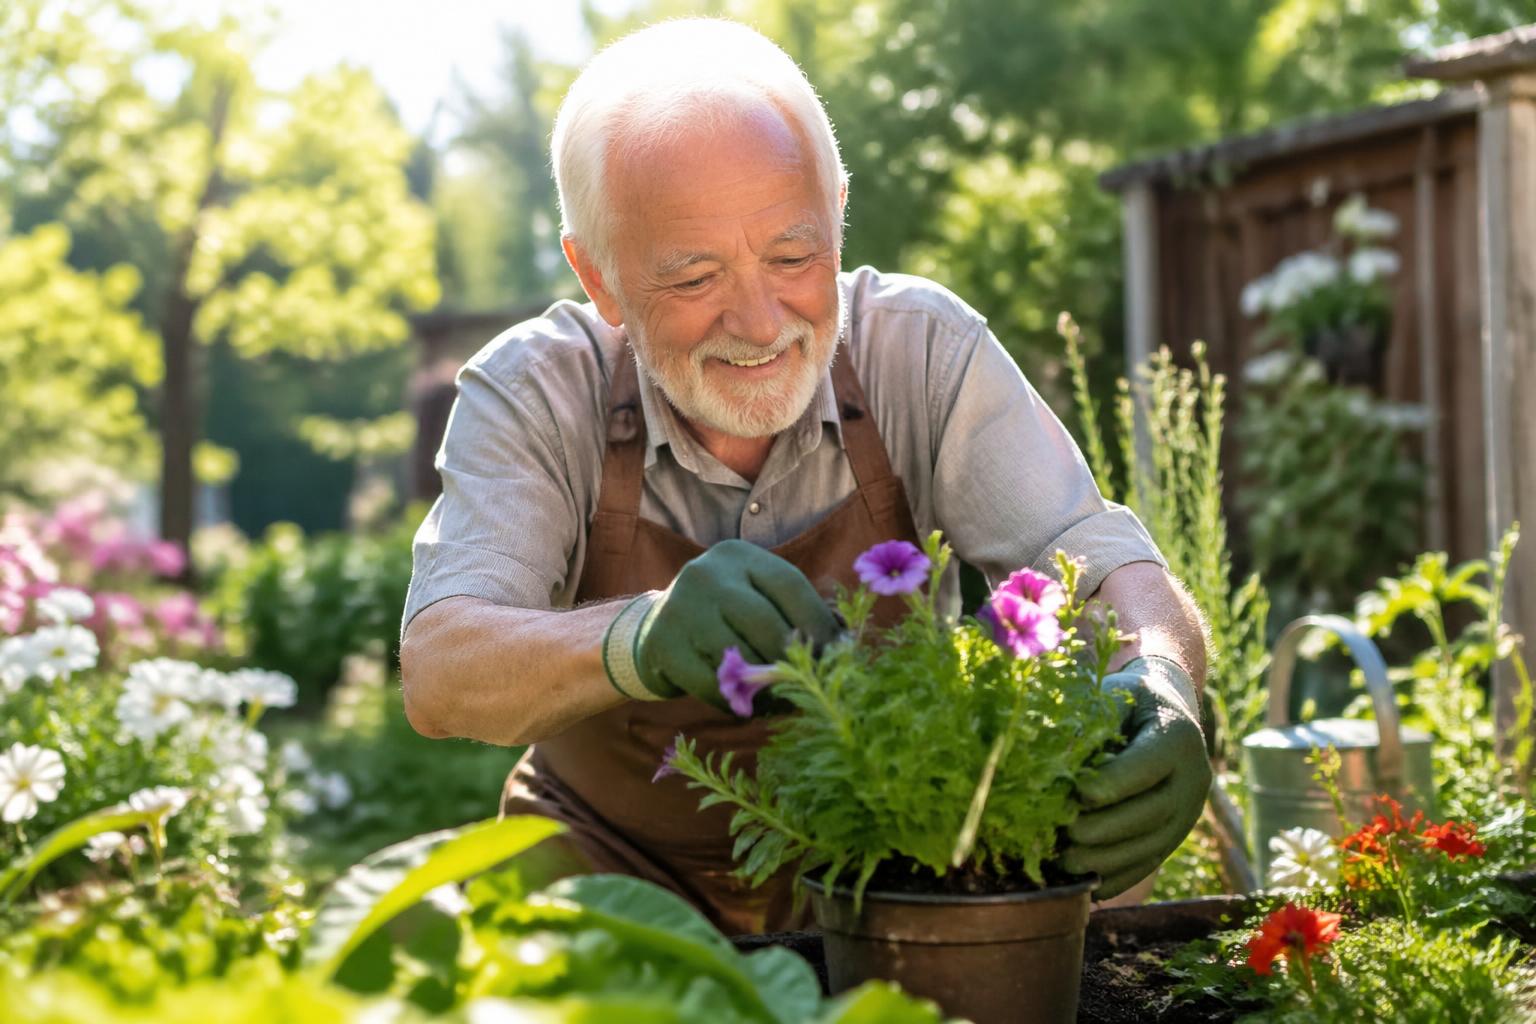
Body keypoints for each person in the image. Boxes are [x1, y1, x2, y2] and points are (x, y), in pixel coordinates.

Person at [399, 18, 1210, 935]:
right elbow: (441, 667)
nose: (757, 320)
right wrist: (640, 638)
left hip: (894, 875)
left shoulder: (922, 349)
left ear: (838, 213)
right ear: (599, 274)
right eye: (693, 276)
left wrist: (1164, 675)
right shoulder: (537, 390)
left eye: (793, 256)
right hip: (605, 875)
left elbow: (1094, 557)